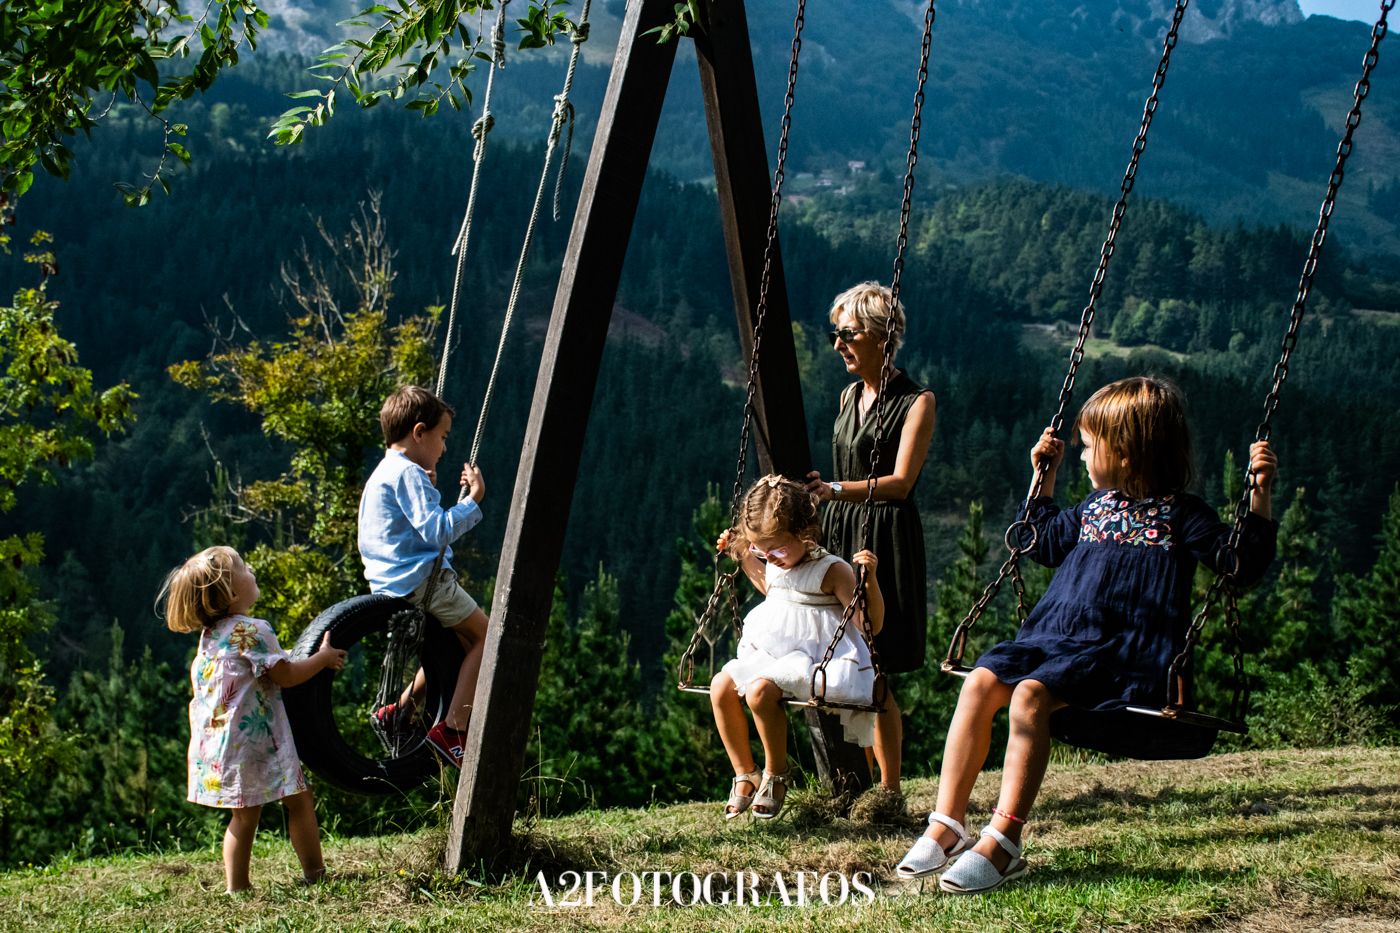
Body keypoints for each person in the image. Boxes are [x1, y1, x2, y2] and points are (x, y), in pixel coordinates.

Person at [895, 376, 1278, 893]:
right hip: (1055, 641)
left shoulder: (1181, 516)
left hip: (1122, 652)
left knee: (1029, 695)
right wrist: (1044, 478)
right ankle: (947, 823)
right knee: (981, 680)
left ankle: (1005, 840)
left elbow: (1240, 564)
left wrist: (1259, 497)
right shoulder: (1093, 509)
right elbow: (1039, 542)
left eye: (1089, 448)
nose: (1082, 458)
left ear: (1125, 453)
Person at [804, 281, 936, 799]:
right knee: (844, 660)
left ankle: (889, 789)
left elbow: (902, 482)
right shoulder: (848, 395)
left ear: (881, 335)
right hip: (842, 531)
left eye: (847, 334)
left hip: (884, 537)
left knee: (876, 664)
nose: (837, 344)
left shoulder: (916, 401)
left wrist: (834, 488)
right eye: (834, 333)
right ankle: (855, 782)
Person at [161, 546, 348, 894]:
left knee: (243, 817)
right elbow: (286, 675)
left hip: (221, 745)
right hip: (258, 742)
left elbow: (263, 666)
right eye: (245, 569)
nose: (253, 572)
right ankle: (315, 873)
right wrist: (322, 659)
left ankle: (238, 887)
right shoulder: (252, 629)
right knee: (299, 799)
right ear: (231, 593)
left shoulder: (211, 636)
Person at [710, 474, 884, 821]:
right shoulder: (776, 561)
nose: (770, 558)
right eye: (762, 550)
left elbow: (869, 625)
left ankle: (777, 774)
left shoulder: (832, 569)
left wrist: (871, 581)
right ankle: (745, 773)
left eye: (776, 549)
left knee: (760, 693)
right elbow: (771, 586)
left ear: (804, 534)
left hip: (818, 658)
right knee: (719, 687)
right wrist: (744, 557)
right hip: (775, 653)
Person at [358, 385, 487, 767]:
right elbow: (437, 531)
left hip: (389, 583)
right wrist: (471, 501)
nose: (444, 449)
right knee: (488, 639)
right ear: (419, 432)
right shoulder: (409, 473)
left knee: (453, 646)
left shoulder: (383, 472)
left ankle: (399, 709)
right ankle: (454, 727)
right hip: (422, 581)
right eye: (442, 437)